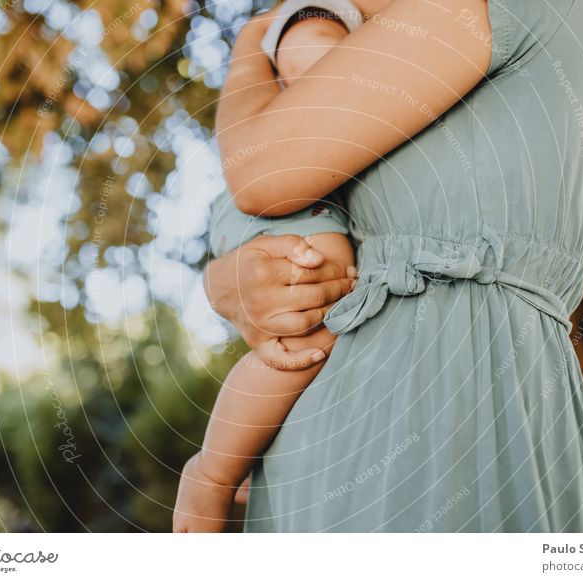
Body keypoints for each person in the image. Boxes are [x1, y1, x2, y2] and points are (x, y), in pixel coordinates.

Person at [201, 0, 583, 532]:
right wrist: (226, 282)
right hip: (325, 437)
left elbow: (258, 168)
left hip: (445, 401)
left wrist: (253, 38)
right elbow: (294, 228)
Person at [173, 0, 364, 533]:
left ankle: (259, 444)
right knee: (310, 333)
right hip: (290, 210)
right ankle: (213, 471)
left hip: (255, 212)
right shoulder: (311, 42)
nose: (317, 90)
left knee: (308, 338)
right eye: (301, 77)